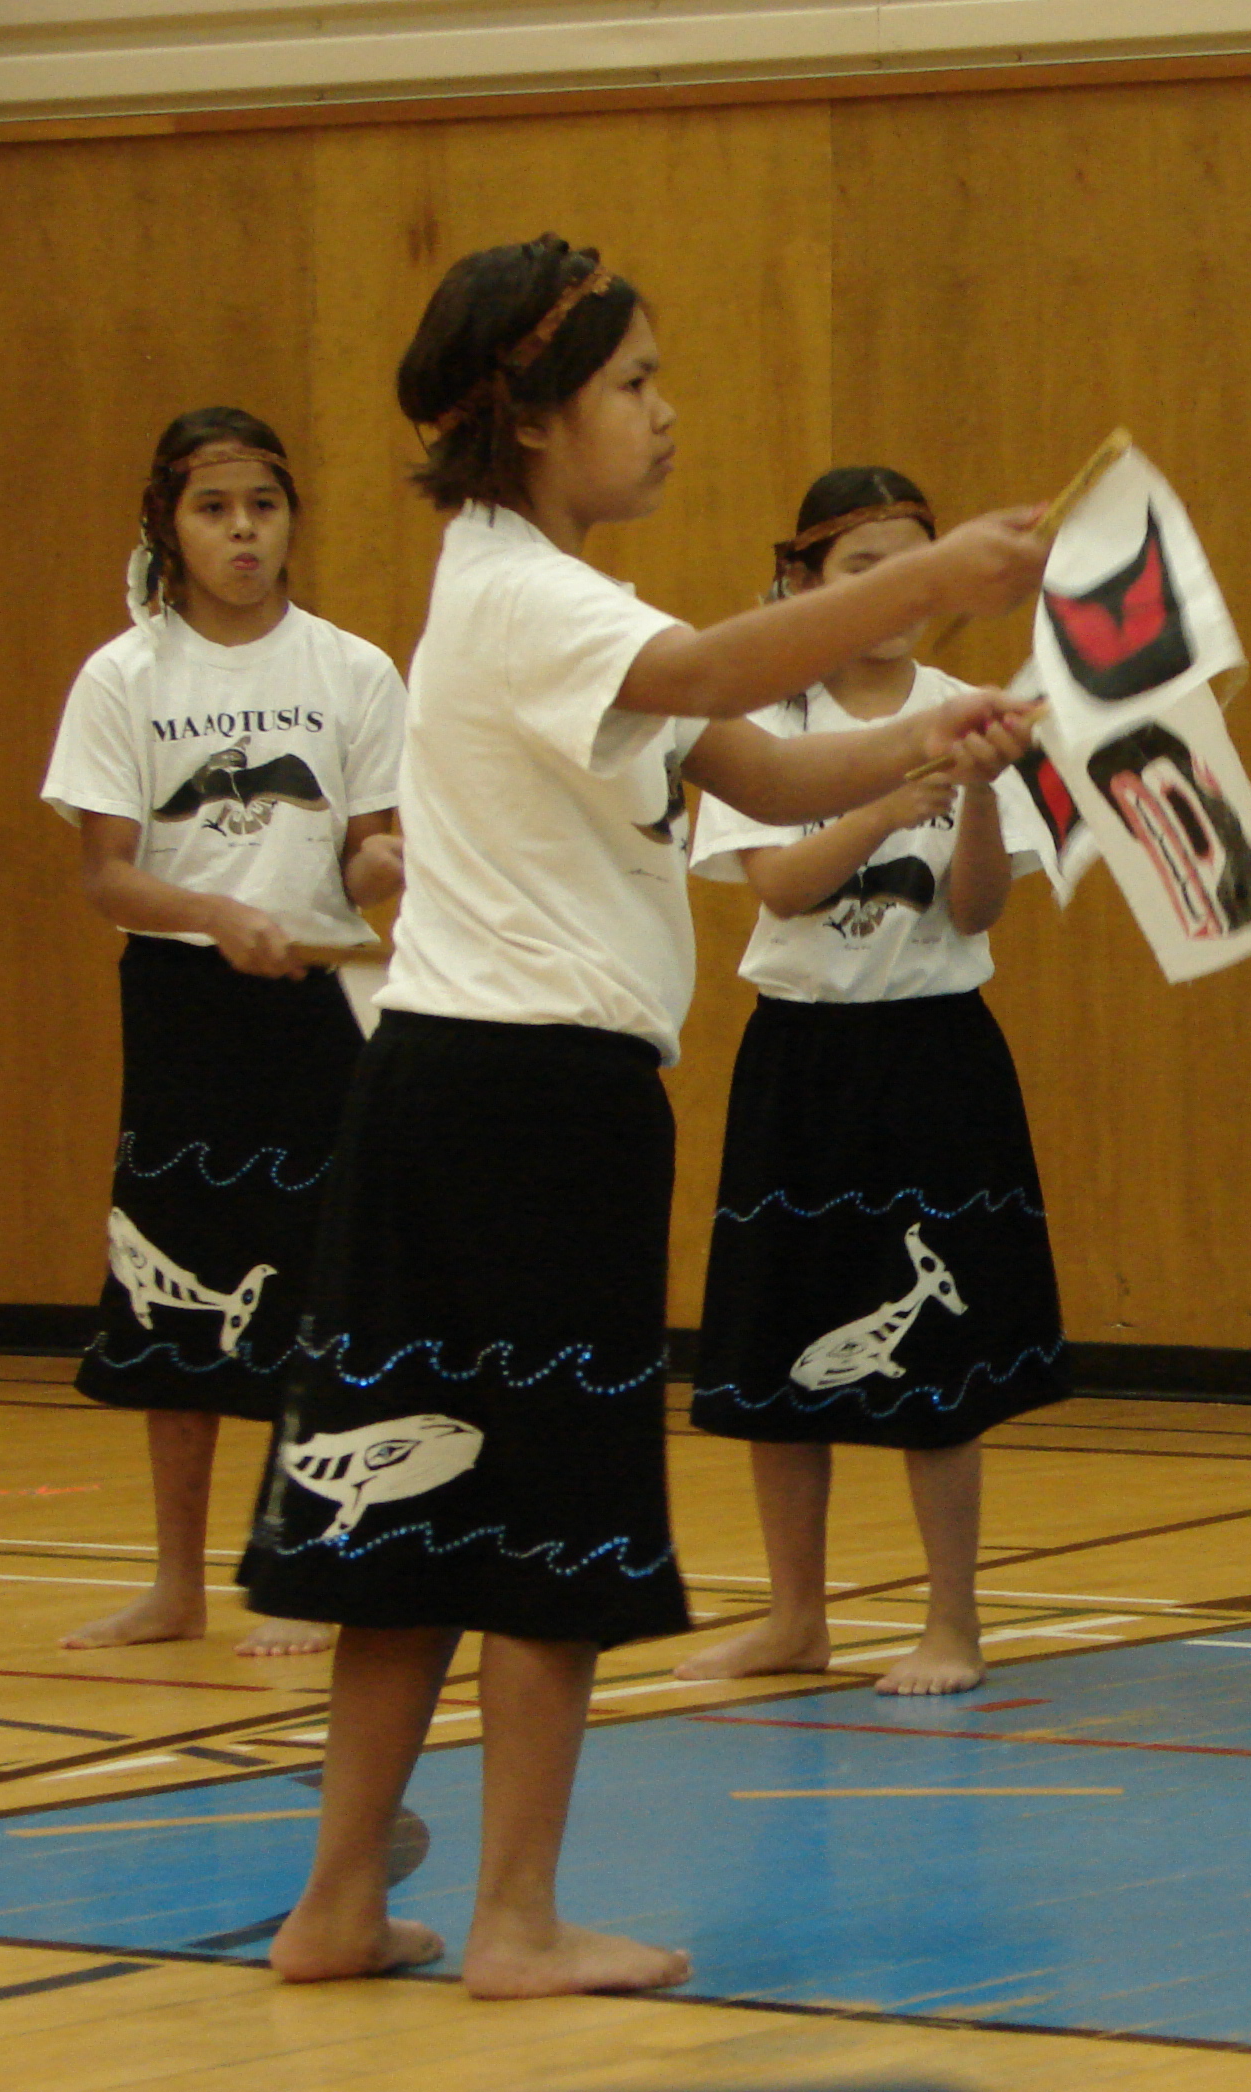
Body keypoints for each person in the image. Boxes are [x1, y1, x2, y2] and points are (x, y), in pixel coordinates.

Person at [235, 237, 1044, 1996]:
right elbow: (721, 673)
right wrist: (948, 577)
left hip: (449, 1092)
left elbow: (756, 767)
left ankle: (338, 1903)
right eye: (634, 385)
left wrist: (939, 738)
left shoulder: (526, 599)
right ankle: (514, 1917)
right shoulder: (532, 594)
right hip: (534, 1104)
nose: (666, 419)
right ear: (526, 415)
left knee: (420, 1501)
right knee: (547, 1507)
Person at [676, 466, 1071, 1696]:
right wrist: (895, 789)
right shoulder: (766, 718)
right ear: (800, 584)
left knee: (938, 1360)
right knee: (783, 1344)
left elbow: (976, 906)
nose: (894, 596)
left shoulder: (970, 705)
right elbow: (781, 889)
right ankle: (798, 1617)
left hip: (935, 1050)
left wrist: (977, 798)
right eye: (861, 571)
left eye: (914, 563)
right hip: (799, 1054)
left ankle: (951, 1621)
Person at [41, 406, 404, 1657]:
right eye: (214, 508)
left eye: (262, 504)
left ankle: (307, 1565)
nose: (242, 530)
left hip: (318, 1005)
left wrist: (392, 861)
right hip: (184, 1002)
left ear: (291, 517)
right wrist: (216, 915)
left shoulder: (353, 670)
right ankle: (177, 1583)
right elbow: (107, 875)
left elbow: (363, 852)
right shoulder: (124, 677)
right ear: (170, 525)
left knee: (320, 1278)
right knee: (174, 1272)